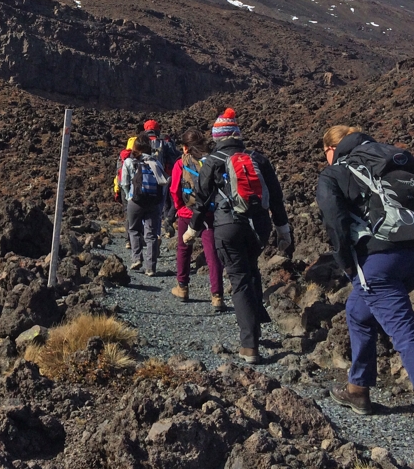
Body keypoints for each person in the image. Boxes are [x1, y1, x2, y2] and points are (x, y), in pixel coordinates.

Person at [316, 125, 414, 461]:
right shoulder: (393, 162)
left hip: (377, 265)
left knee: (406, 336)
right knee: (357, 310)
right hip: (413, 259)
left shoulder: (335, 172)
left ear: (331, 148)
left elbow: (334, 222)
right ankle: (357, 390)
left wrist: (351, 266)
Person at [185, 108, 291, 363]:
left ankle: (249, 345)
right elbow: (276, 198)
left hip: (228, 226)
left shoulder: (213, 160)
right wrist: (283, 229)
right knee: (251, 270)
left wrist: (192, 229)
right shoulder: (257, 159)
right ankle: (256, 327)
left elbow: (201, 199)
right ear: (238, 135)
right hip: (259, 226)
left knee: (240, 278)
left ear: (218, 137)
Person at [169, 128, 224, 310]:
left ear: (185, 148)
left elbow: (174, 189)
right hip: (209, 213)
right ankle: (217, 295)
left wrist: (179, 208)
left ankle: (182, 287)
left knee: (184, 249)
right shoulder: (211, 161)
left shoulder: (180, 164)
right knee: (212, 253)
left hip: (187, 212)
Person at [119, 135, 167, 276]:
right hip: (153, 202)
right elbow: (163, 185)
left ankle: (136, 258)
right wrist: (161, 204)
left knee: (134, 230)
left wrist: (129, 197)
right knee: (151, 235)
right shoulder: (156, 163)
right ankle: (151, 268)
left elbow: (124, 183)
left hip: (135, 201)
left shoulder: (129, 162)